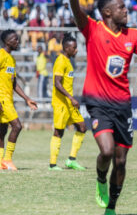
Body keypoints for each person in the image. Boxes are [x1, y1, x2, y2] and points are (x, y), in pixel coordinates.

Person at [66, 0, 137, 215]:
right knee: (106, 151)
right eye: (121, 8)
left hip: (123, 105)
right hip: (97, 102)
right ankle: (100, 180)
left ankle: (112, 207)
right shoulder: (93, 30)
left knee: (121, 160)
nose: (125, 11)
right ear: (107, 12)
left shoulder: (134, 35)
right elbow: (77, 13)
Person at [0, 30, 38, 170]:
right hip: (2, 99)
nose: (17, 42)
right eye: (15, 39)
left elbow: (13, 83)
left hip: (7, 99)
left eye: (17, 39)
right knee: (17, 126)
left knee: (1, 130)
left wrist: (27, 99)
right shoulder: (0, 56)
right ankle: (7, 159)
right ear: (7, 42)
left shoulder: (11, 59)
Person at [49, 33, 87, 171]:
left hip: (69, 102)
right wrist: (71, 98)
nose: (76, 50)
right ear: (66, 48)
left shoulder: (68, 61)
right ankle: (52, 165)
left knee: (82, 127)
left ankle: (71, 160)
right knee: (59, 132)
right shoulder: (60, 60)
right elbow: (57, 83)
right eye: (74, 47)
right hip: (61, 102)